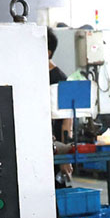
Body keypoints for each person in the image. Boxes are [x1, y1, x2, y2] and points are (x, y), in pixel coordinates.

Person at [47, 27, 72, 184]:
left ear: (48, 53)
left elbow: (66, 122)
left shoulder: (61, 80)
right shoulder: (34, 75)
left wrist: (64, 157)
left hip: (55, 148)